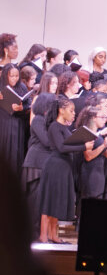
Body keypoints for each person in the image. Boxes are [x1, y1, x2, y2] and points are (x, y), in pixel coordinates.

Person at [38, 98, 90, 243]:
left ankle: (54, 235)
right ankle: (43, 235)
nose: (74, 113)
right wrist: (83, 147)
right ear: (61, 110)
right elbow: (61, 148)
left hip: (64, 167)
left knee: (57, 201)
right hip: (55, 166)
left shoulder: (64, 128)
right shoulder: (54, 126)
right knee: (50, 200)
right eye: (71, 110)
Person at [22, 93, 57, 238]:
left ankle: (38, 233)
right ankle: (32, 233)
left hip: (45, 163)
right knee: (35, 199)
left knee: (41, 199)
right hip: (36, 163)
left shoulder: (48, 121)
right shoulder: (38, 119)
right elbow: (47, 141)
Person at [0, 63, 30, 174]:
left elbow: (28, 104)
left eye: (16, 76)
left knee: (16, 153)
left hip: (17, 124)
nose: (14, 79)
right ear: (5, 75)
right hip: (3, 123)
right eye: (11, 76)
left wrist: (22, 108)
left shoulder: (21, 86)